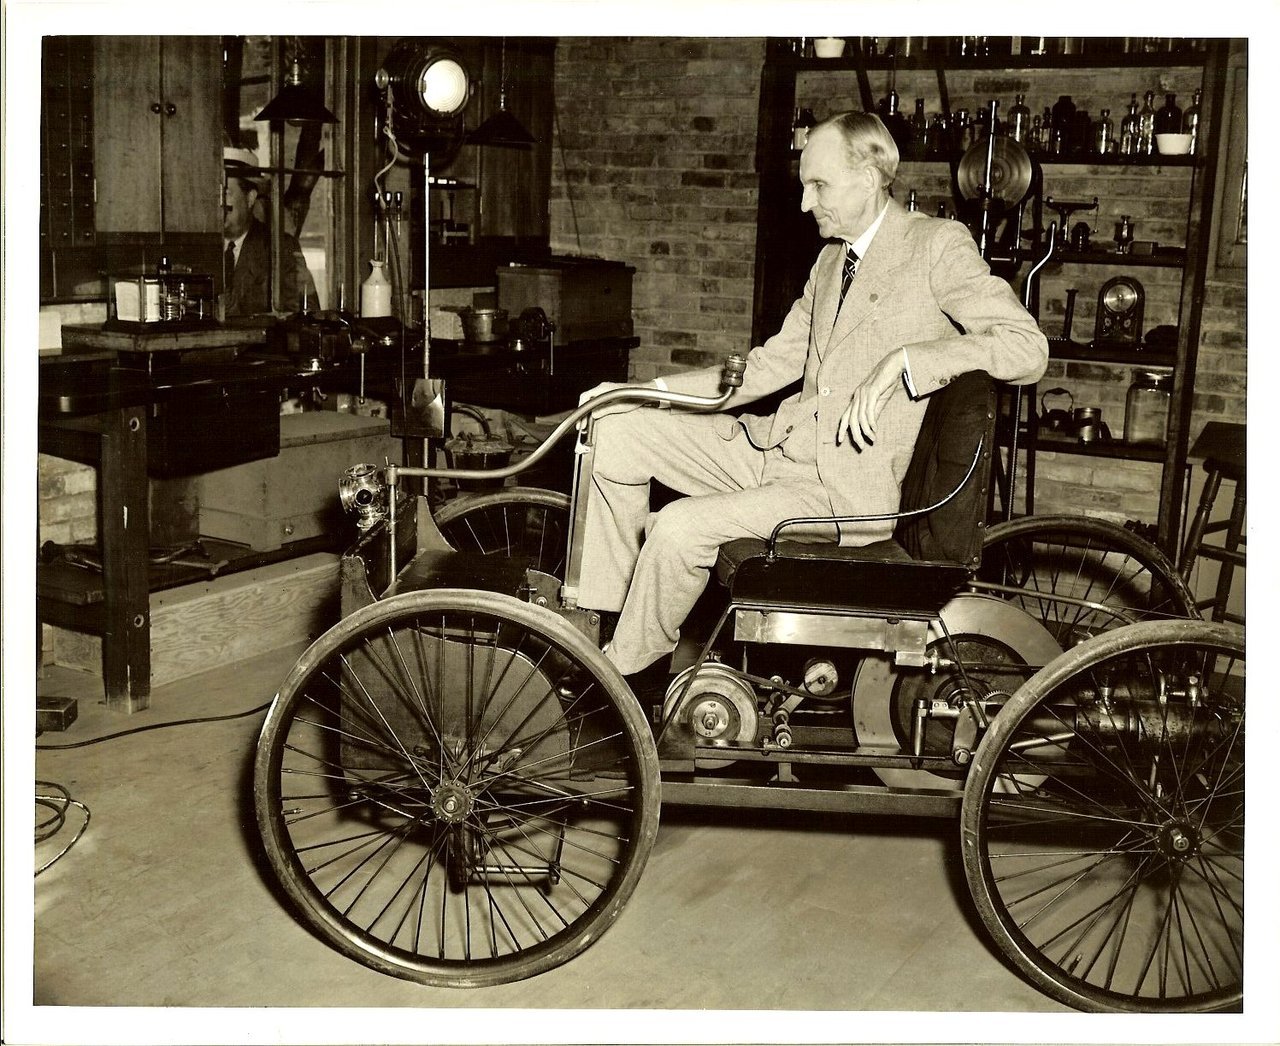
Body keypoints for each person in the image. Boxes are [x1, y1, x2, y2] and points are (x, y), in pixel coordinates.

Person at [576, 111, 1049, 680]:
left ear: (871, 177)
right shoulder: (831, 260)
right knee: (616, 427)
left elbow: (1028, 348)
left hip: (839, 492)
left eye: (817, 185)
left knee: (678, 526)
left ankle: (620, 675)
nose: (804, 203)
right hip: (776, 450)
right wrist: (641, 391)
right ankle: (597, 621)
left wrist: (914, 360)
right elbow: (766, 366)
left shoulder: (936, 247)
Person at [222, 147, 317, 317]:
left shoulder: (280, 249)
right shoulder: (201, 247)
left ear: (250, 198)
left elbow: (304, 316)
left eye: (226, 193)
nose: (219, 203)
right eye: (215, 194)